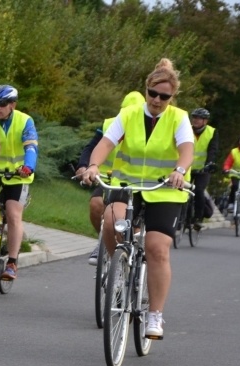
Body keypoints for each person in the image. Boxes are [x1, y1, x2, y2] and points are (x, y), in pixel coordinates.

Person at [80, 58, 194, 340]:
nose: (157, 100)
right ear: (146, 90)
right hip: (128, 184)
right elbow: (106, 143)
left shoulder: (179, 118)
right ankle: (118, 270)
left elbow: (186, 149)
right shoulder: (129, 114)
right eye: (153, 94)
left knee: (157, 249)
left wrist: (180, 171)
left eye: (164, 97)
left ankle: (154, 314)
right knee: (110, 222)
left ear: (172, 96)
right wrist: (93, 166)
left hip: (164, 189)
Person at [76, 91, 146, 265]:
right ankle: (103, 241)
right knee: (96, 204)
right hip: (108, 179)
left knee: (134, 223)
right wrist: (84, 165)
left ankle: (131, 254)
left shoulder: (148, 128)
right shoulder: (111, 123)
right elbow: (91, 147)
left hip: (136, 182)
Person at [0, 84, 38, 281]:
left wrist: (28, 166)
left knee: (13, 214)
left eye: (2, 104)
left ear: (13, 105)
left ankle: (12, 263)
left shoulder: (24, 121)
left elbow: (31, 147)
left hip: (18, 175)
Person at [187, 108, 219, 230]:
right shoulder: (186, 129)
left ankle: (198, 219)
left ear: (205, 121)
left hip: (203, 169)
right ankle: (182, 217)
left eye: (199, 118)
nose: (195, 120)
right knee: (182, 191)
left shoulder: (212, 132)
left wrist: (210, 163)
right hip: (187, 168)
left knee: (199, 191)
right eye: (194, 117)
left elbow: (213, 150)